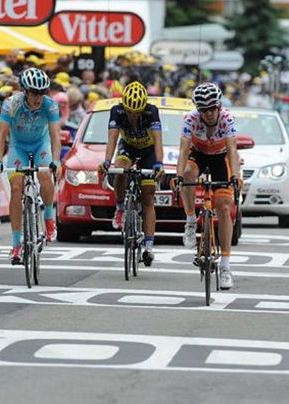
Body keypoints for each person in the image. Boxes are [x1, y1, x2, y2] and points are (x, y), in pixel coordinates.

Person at [0, 68, 61, 265]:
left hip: (41, 145)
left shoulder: (50, 105)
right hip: (18, 147)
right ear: (25, 91)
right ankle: (16, 244)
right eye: (34, 93)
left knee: (46, 175)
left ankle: (48, 218)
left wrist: (56, 160)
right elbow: (1, 135)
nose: (38, 98)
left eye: (42, 93)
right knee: (16, 188)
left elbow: (55, 134)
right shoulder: (11, 104)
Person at [174, 82, 240, 290]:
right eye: (204, 110)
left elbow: (232, 149)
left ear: (219, 106)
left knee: (223, 206)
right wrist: (177, 175)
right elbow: (184, 150)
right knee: (187, 174)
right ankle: (191, 220)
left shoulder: (227, 118)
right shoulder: (190, 119)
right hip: (199, 154)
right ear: (198, 110)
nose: (209, 114)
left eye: (213, 108)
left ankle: (226, 267)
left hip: (221, 157)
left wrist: (236, 175)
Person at [98, 81, 164, 266]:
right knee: (120, 170)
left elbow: (158, 140)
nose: (133, 116)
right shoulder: (117, 111)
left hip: (148, 152)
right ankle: (120, 209)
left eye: (137, 113)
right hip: (127, 148)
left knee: (148, 198)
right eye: (130, 112)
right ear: (124, 107)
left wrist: (159, 163)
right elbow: (112, 138)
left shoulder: (151, 111)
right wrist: (106, 161)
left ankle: (149, 247)